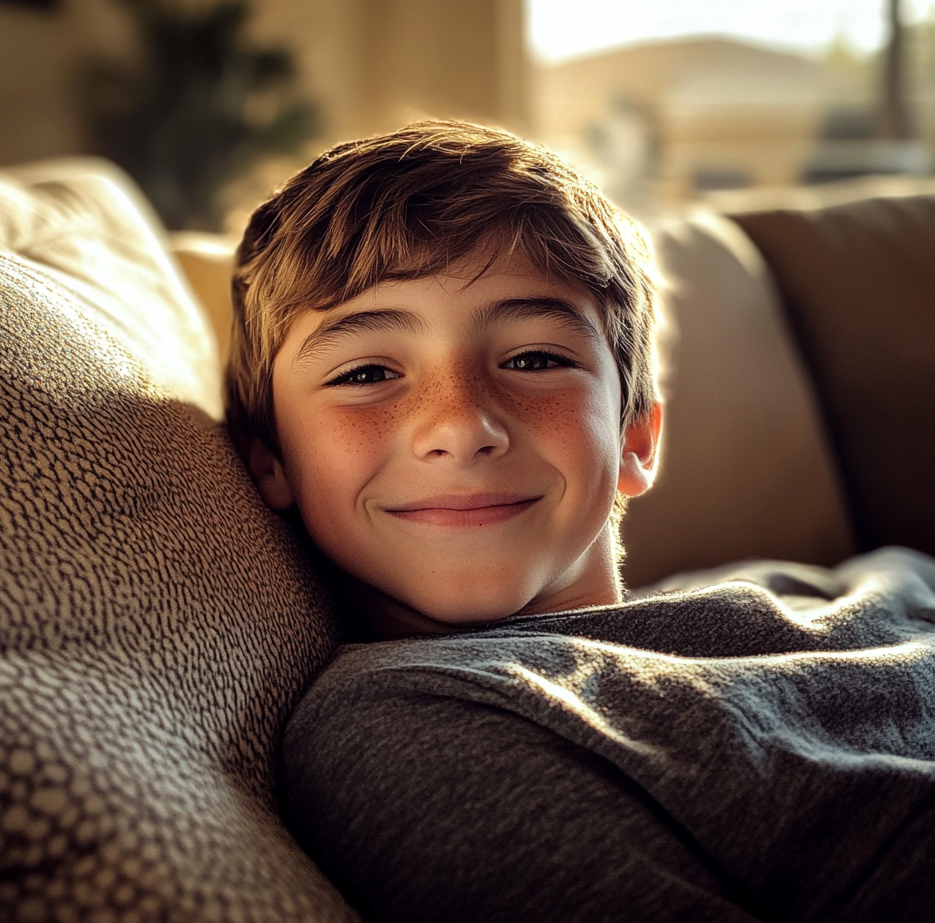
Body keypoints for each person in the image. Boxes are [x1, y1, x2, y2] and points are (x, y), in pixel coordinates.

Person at [226, 121, 935, 922]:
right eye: (366, 373)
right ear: (271, 460)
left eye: (533, 358)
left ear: (635, 437)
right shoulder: (420, 720)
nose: (461, 426)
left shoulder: (849, 585)